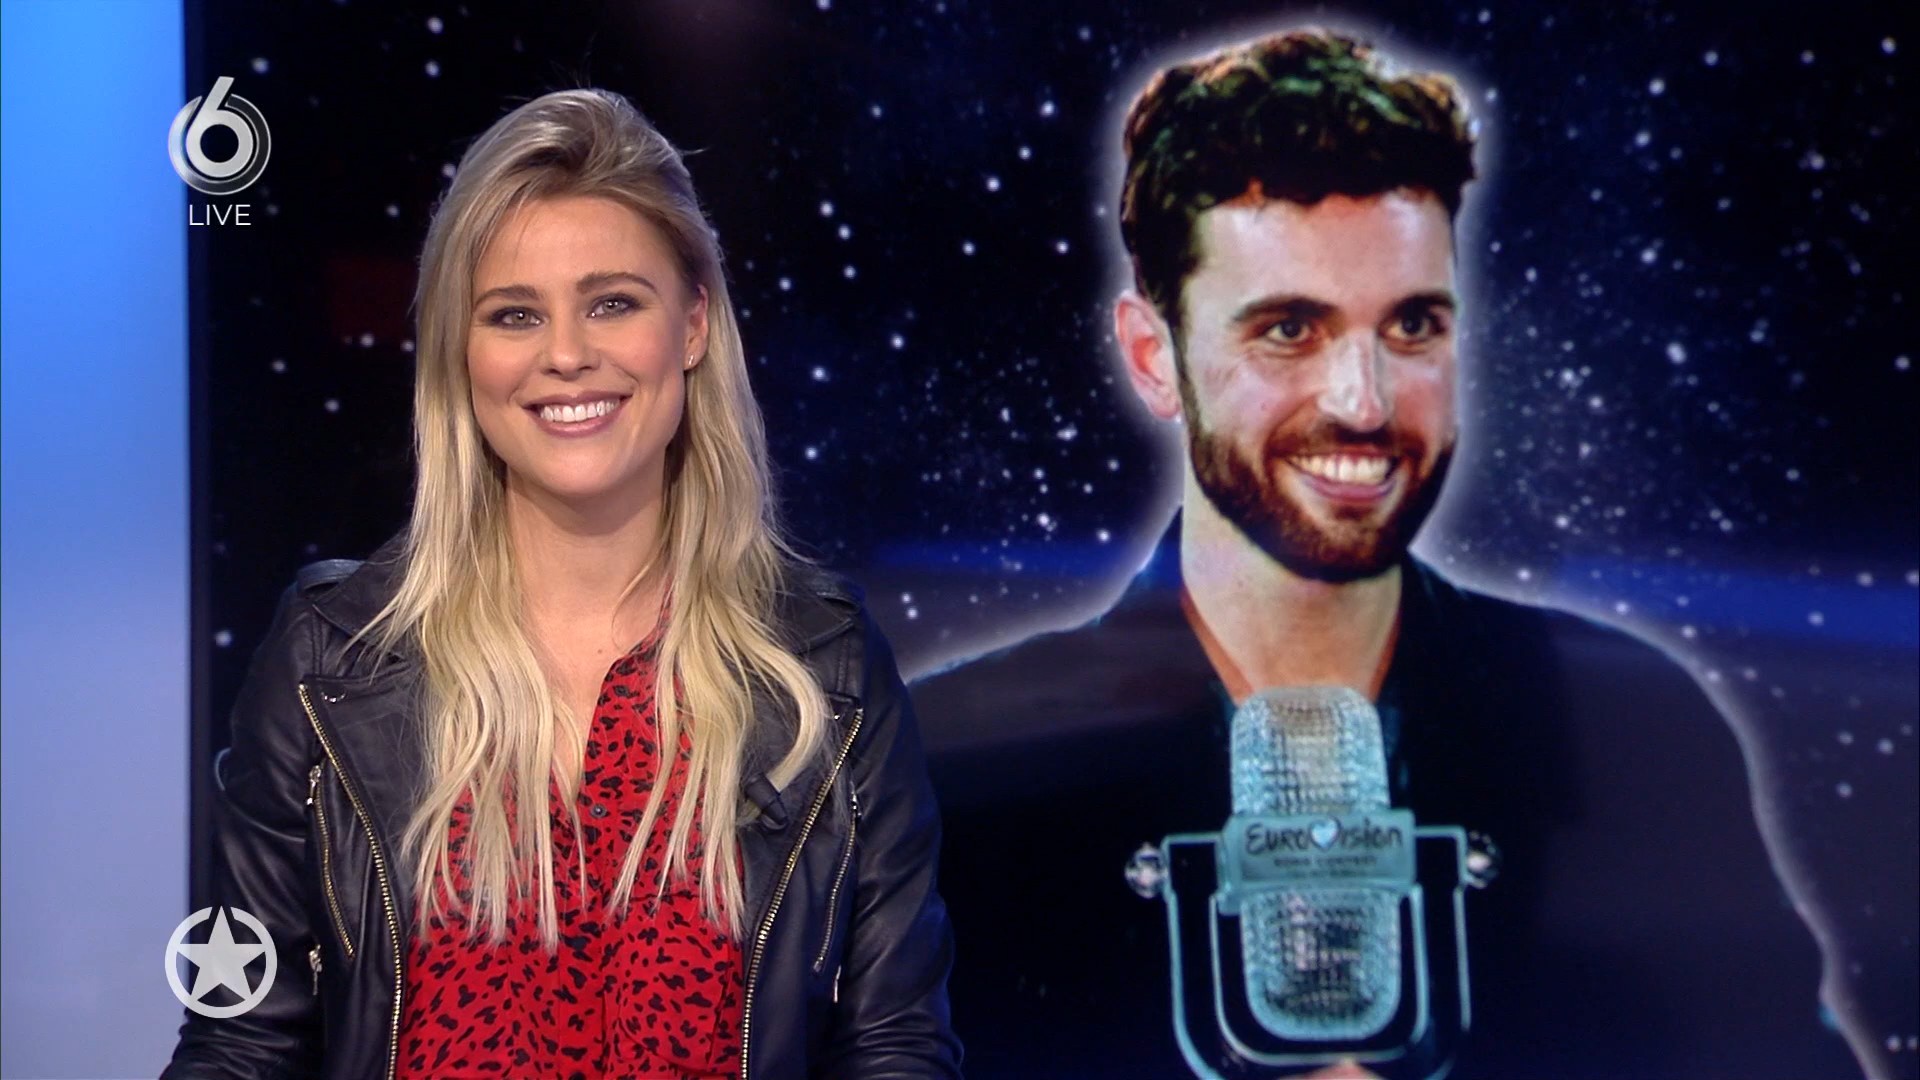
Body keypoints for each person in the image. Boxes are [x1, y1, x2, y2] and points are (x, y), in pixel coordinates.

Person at [913, 30, 1855, 1079]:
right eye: (1289, 330)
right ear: (1154, 356)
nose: (1364, 402)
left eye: (1412, 326)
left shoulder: (1634, 730)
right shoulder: (951, 782)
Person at [163, 88, 960, 1080]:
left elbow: (894, 1045)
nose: (567, 355)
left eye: (613, 302)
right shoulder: (331, 655)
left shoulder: (825, 670)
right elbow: (243, 1041)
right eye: (515, 315)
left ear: (693, 324)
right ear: (462, 353)